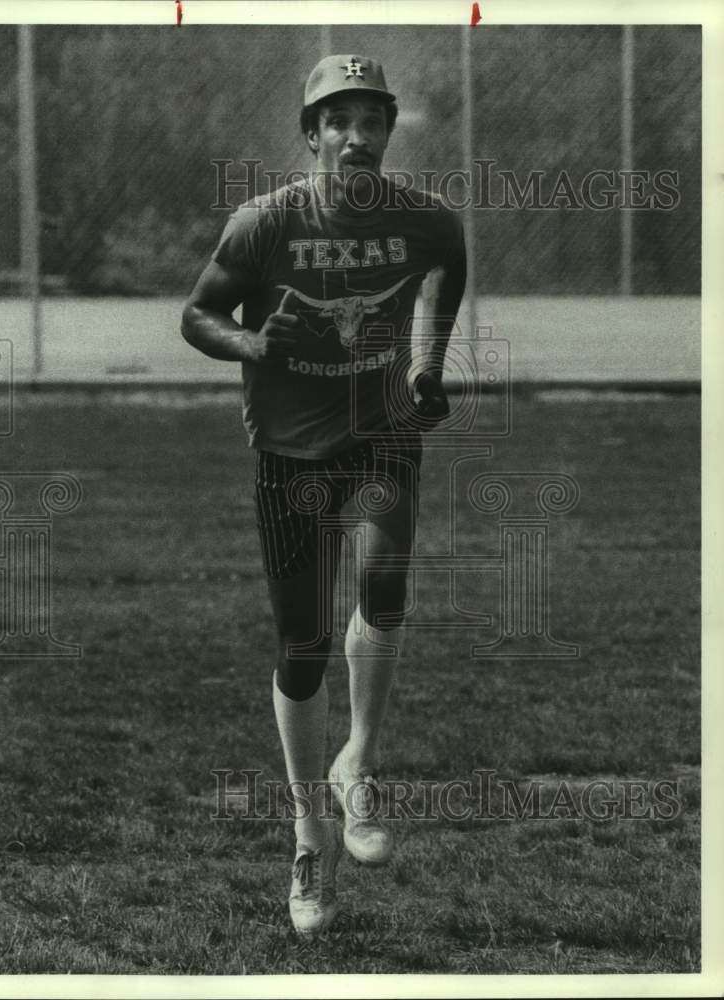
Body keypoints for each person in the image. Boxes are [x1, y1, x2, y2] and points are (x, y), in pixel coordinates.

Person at [181, 53, 466, 936]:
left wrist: (423, 365)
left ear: (386, 132)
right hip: (289, 451)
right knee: (302, 647)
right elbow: (197, 316)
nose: (356, 136)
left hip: (380, 430)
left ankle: (359, 766)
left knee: (385, 588)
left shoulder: (426, 220)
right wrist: (248, 348)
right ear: (311, 136)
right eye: (337, 121)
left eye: (370, 120)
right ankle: (309, 833)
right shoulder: (263, 224)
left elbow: (444, 272)